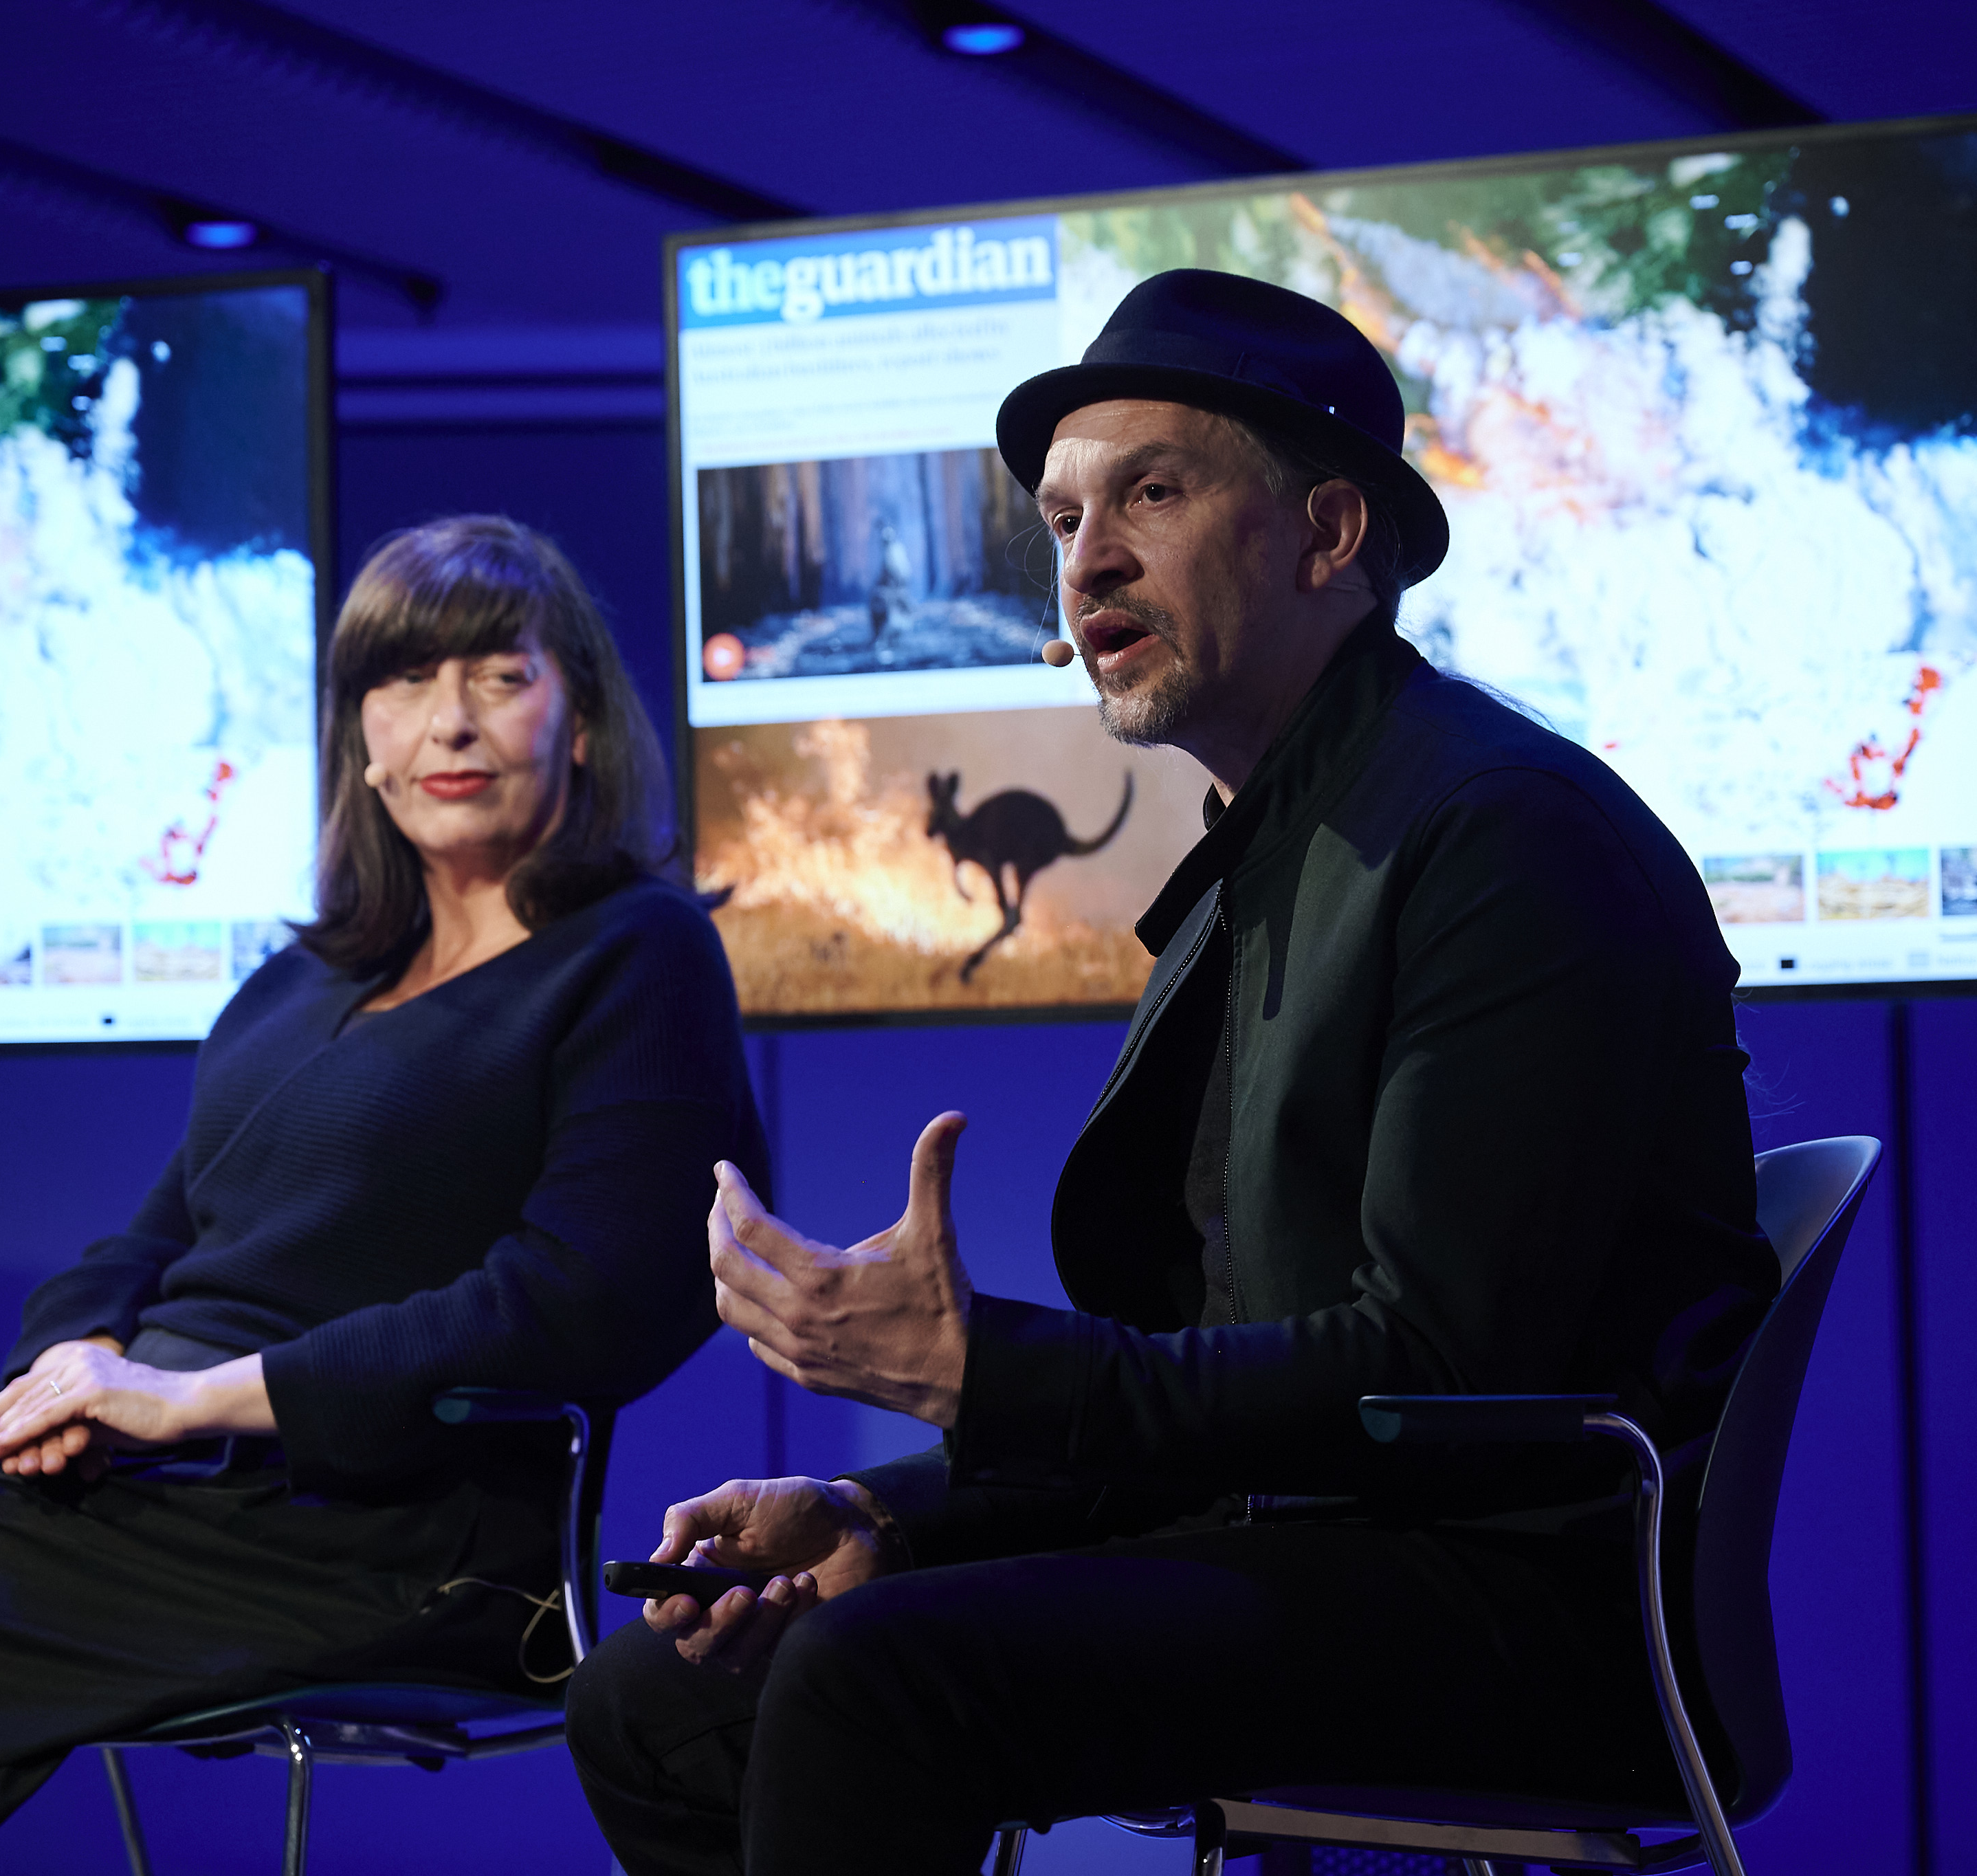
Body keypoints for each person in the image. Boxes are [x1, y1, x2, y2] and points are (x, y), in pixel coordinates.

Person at [564, 272, 1778, 1876]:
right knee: (649, 1696)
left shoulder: (1501, 837)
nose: (1086, 564)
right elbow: (1221, 1369)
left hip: (1514, 1599)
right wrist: (895, 1514)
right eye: (1061, 519)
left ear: (1327, 535)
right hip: (1312, 1535)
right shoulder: (1267, 845)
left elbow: (1431, 1375)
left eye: (1150, 492)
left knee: (881, 1681)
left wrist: (974, 1370)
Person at [0, 516, 768, 1872]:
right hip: (155, 1453)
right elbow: (156, 1230)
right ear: (360, 739)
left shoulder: (636, 954)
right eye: (402, 684)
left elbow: (591, 1297)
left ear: (579, 720)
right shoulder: (310, 978)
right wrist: (72, 1370)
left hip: (375, 1525)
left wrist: (197, 1401)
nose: (448, 723)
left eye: (499, 678)